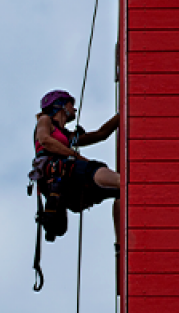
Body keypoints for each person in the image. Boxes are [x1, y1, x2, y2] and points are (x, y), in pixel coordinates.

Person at [29, 89, 120, 243]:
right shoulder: (45, 120)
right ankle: (124, 180)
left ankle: (119, 243)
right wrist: (74, 155)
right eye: (71, 104)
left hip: (66, 181)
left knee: (118, 193)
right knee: (92, 168)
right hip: (57, 171)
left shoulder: (66, 135)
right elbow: (44, 140)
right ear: (60, 105)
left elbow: (100, 134)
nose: (74, 108)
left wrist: (121, 114)